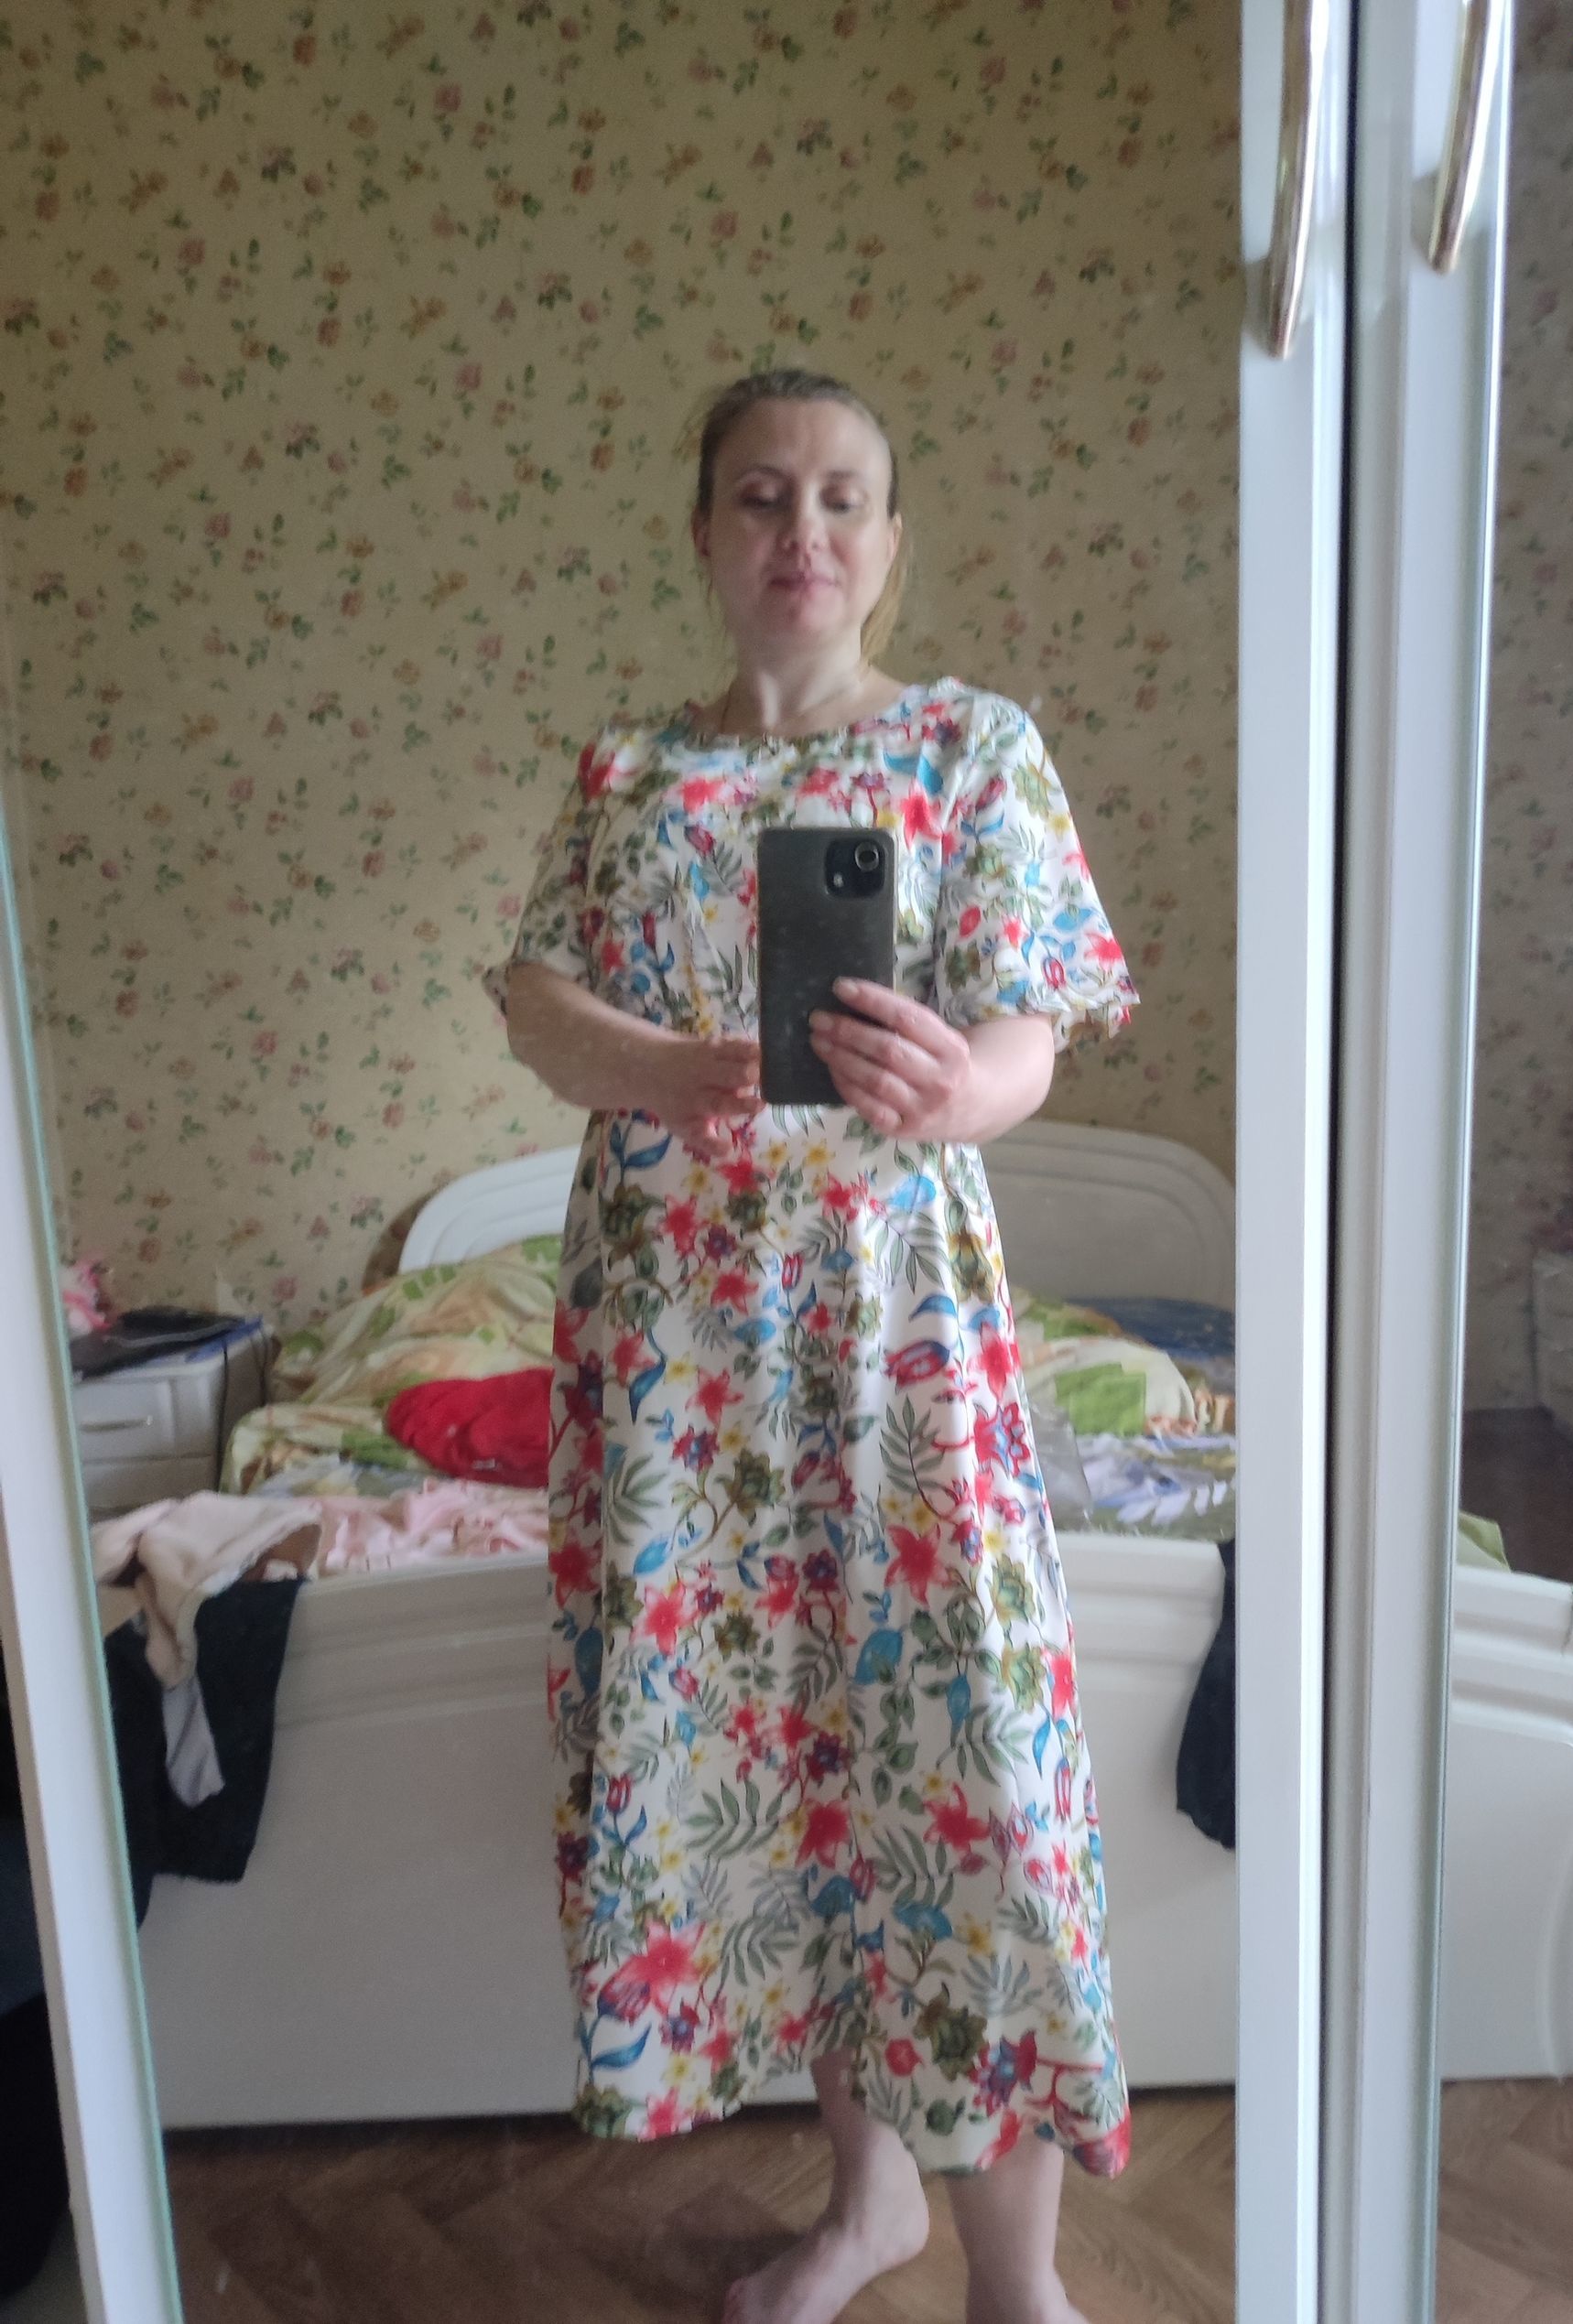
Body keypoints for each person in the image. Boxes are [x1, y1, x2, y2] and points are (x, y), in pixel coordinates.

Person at [488, 366, 1140, 2324]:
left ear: (889, 542)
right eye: (763, 495)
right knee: (792, 1783)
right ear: (704, 532)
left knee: (966, 1769)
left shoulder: (967, 747)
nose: (803, 530)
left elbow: (1035, 1020)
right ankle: (867, 2208)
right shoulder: (626, 773)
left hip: (895, 1346)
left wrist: (963, 1087)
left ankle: (1016, 2276)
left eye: (843, 497)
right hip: (677, 1371)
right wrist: (664, 1063)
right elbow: (536, 1006)